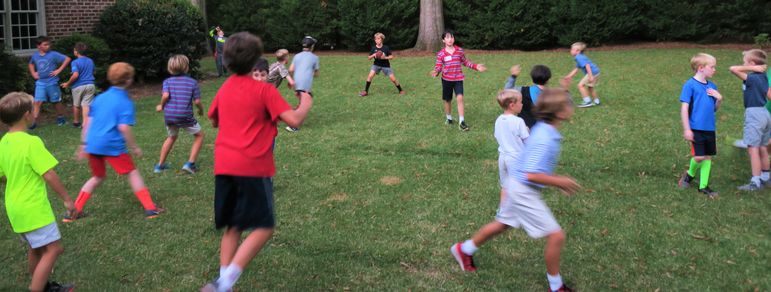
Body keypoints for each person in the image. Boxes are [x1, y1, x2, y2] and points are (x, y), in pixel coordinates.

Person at [200, 32, 314, 292]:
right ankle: (223, 283)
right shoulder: (263, 90)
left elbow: (214, 119)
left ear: (227, 62)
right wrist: (305, 102)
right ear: (256, 60)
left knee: (234, 226)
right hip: (252, 167)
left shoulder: (225, 87)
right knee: (263, 227)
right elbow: (294, 120)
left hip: (224, 166)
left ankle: (223, 285)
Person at [450, 88, 580, 292]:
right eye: (568, 104)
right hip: (522, 189)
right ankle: (556, 287)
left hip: (515, 184)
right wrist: (559, 181)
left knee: (503, 223)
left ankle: (463, 249)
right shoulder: (545, 136)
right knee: (557, 236)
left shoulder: (544, 129)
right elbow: (531, 174)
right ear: (560, 113)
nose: (572, 106)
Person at [67, 62, 164, 221]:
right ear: (128, 81)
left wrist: (84, 144)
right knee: (132, 173)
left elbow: (88, 123)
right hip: (111, 145)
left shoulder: (100, 98)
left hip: (93, 144)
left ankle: (74, 211)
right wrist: (134, 147)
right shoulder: (125, 101)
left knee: (97, 177)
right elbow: (124, 128)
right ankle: (150, 208)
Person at [0, 92, 76, 292]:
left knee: (36, 247)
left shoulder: (4, 142)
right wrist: (68, 200)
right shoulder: (31, 142)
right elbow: (49, 174)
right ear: (27, 115)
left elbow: (2, 176)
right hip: (33, 207)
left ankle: (40, 285)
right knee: (54, 249)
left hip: (15, 207)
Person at [677, 53, 722, 197]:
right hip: (696, 127)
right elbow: (684, 108)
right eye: (712, 67)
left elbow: (713, 109)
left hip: (710, 128)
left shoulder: (712, 86)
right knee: (699, 157)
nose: (715, 70)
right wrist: (687, 128)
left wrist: (719, 99)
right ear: (701, 68)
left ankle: (703, 186)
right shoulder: (690, 85)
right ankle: (689, 175)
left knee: (708, 157)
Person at [154, 55, 205, 174]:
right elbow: (197, 101)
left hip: (170, 116)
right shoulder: (192, 82)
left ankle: (159, 166)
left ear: (170, 68)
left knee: (171, 137)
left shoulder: (167, 81)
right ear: (186, 68)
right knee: (199, 135)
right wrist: (201, 111)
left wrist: (161, 106)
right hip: (185, 116)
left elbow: (165, 95)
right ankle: (190, 164)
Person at [729, 49, 771, 191]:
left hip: (754, 114)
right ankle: (766, 176)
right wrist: (754, 68)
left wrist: (751, 68)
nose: (743, 64)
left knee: (753, 149)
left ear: (752, 64)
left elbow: (733, 69)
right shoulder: (764, 76)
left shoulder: (753, 77)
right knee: (763, 147)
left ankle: (755, 182)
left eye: (745, 62)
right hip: (764, 113)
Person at [430, 30, 486, 131]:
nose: (450, 39)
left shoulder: (459, 51)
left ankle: (462, 122)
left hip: (458, 79)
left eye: (451, 37)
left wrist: (475, 66)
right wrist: (436, 71)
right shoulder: (441, 54)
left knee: (460, 98)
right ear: (443, 40)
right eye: (447, 37)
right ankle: (449, 118)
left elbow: (465, 62)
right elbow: (438, 66)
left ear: (454, 39)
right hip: (446, 80)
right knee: (447, 100)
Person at [493, 89, 529, 204]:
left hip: (502, 157)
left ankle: (502, 211)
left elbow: (497, 135)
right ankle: (522, 209)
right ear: (512, 105)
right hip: (516, 158)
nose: (522, 104)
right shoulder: (518, 121)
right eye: (521, 102)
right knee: (520, 187)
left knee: (505, 186)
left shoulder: (499, 120)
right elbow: (527, 141)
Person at [28, 36, 71, 129]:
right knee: (37, 102)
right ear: (38, 46)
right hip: (40, 83)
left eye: (48, 44)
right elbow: (31, 64)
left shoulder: (53, 54)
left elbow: (67, 59)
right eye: (45, 44)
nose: (48, 46)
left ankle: (61, 118)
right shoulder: (35, 56)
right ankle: (33, 123)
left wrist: (59, 70)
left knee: (56, 101)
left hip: (52, 82)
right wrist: (33, 73)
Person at [287, 36, 319, 132]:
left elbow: (291, 69)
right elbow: (316, 73)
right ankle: (293, 125)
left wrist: (292, 80)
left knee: (303, 101)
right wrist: (312, 72)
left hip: (297, 82)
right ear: (312, 46)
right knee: (305, 104)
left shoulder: (297, 56)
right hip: (305, 83)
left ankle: (292, 116)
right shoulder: (315, 57)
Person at [505, 64, 553, 128]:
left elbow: (507, 89)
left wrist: (513, 76)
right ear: (548, 80)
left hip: (524, 128)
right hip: (542, 130)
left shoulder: (523, 91)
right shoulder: (552, 95)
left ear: (532, 78)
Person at [61, 42, 96, 129]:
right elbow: (93, 71)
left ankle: (76, 122)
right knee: (86, 105)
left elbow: (76, 75)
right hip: (90, 85)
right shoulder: (90, 60)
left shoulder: (75, 62)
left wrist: (68, 83)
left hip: (78, 86)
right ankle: (85, 123)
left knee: (76, 105)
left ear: (76, 52)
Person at [358, 32, 404, 96]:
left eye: (378, 38)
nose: (377, 40)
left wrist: (385, 57)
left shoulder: (386, 48)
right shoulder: (373, 48)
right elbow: (369, 58)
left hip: (385, 65)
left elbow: (391, 57)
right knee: (370, 76)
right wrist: (373, 55)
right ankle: (365, 91)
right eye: (375, 39)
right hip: (376, 65)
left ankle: (401, 90)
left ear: (382, 39)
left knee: (393, 79)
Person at [562, 42, 601, 108]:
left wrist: (590, 76)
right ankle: (597, 101)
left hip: (592, 73)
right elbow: (576, 68)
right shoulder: (580, 57)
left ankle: (587, 102)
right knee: (590, 87)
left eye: (572, 49)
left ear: (578, 51)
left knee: (580, 85)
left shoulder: (579, 57)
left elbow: (587, 65)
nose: (570, 51)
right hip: (596, 71)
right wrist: (569, 76)